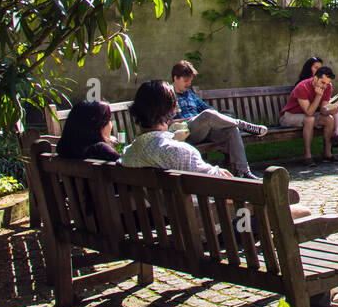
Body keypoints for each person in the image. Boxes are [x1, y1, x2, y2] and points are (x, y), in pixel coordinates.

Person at [122, 81, 311, 219]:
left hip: (174, 222)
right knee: (300, 209)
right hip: (211, 227)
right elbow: (223, 187)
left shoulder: (128, 154)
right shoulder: (179, 152)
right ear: (171, 111)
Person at [170, 60, 266, 179]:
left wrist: (220, 118)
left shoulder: (189, 93)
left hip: (203, 128)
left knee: (231, 128)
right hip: (186, 131)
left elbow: (207, 109)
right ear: (175, 78)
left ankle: (243, 172)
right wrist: (198, 117)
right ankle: (243, 124)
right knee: (208, 115)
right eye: (186, 81)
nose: (188, 84)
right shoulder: (168, 94)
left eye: (190, 81)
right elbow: (167, 122)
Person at [280, 66, 338, 163]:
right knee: (310, 119)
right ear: (315, 78)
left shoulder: (328, 87)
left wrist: (331, 111)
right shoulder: (302, 87)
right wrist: (318, 96)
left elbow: (322, 110)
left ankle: (327, 154)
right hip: (289, 116)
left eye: (327, 83)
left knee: (329, 119)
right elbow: (309, 112)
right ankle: (308, 156)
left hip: (309, 114)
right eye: (322, 82)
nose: (324, 86)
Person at [56, 99, 121, 164]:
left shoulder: (64, 149)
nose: (111, 124)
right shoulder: (101, 150)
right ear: (98, 125)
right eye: (109, 120)